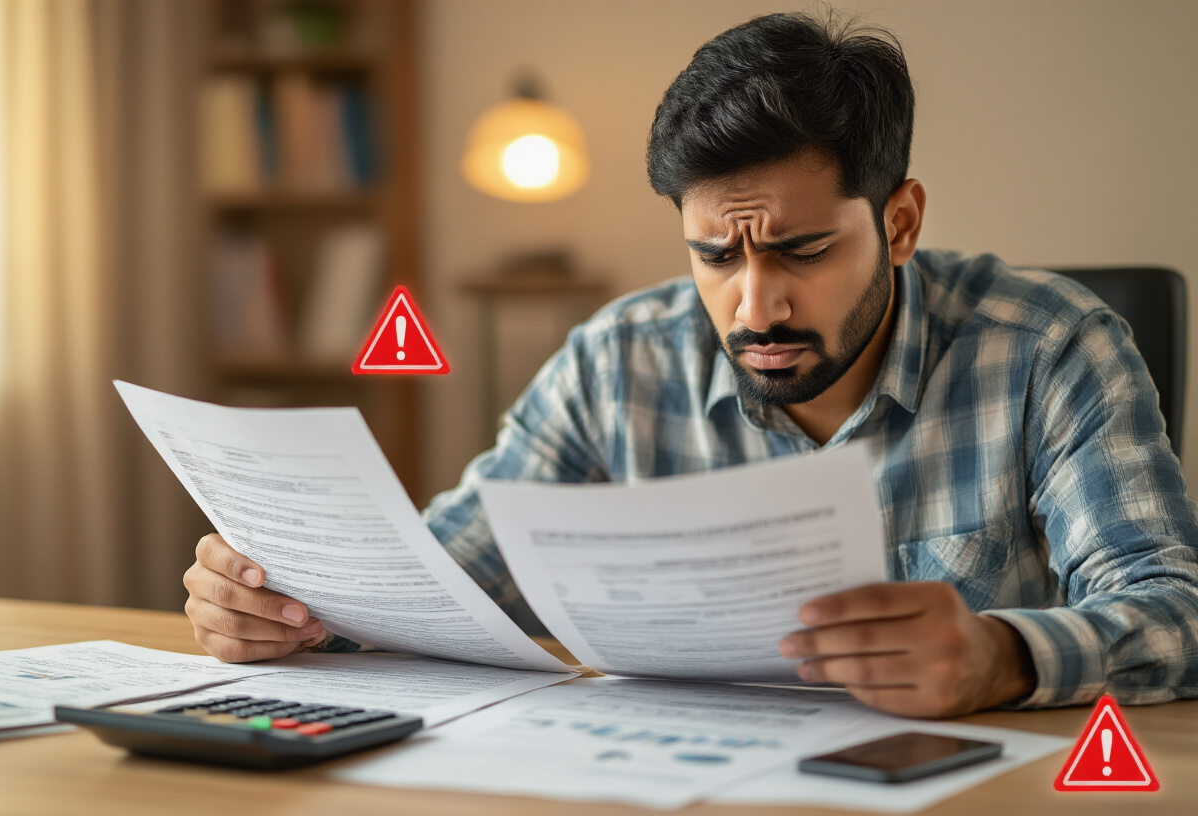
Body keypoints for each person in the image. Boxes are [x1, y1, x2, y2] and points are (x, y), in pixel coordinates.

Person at [181, 11, 1198, 717]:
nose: (755, 305)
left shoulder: (1051, 348)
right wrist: (297, 614)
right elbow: (447, 585)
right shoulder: (612, 363)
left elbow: (1176, 612)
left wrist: (1001, 658)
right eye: (715, 255)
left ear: (898, 223)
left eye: (800, 251)